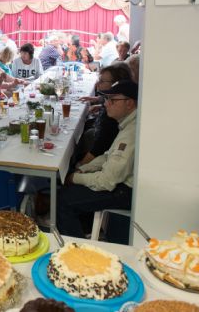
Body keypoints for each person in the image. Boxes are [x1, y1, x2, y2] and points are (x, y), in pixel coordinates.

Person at [57, 80, 138, 239]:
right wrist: (84, 169)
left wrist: (75, 178)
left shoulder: (130, 134)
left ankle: (76, 251)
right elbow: (108, 156)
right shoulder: (129, 124)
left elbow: (106, 182)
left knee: (63, 200)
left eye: (112, 100)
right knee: (71, 187)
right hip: (119, 181)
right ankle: (86, 230)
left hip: (126, 191)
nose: (106, 104)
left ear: (129, 103)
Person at [76, 63, 133, 166]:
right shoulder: (117, 101)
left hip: (98, 154)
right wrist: (99, 102)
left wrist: (78, 167)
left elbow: (98, 148)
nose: (97, 84)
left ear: (116, 84)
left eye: (102, 81)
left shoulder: (112, 115)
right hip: (96, 132)